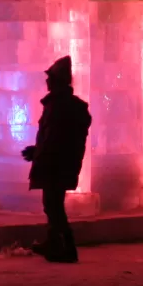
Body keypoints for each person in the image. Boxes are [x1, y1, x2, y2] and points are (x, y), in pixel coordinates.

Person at [21, 56, 91, 263]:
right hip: (60, 161)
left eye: (50, 77)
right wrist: (38, 150)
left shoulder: (59, 106)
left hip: (56, 163)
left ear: (57, 80)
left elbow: (55, 138)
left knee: (53, 205)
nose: (47, 81)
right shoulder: (64, 105)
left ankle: (67, 247)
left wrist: (38, 153)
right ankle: (54, 243)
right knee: (52, 203)